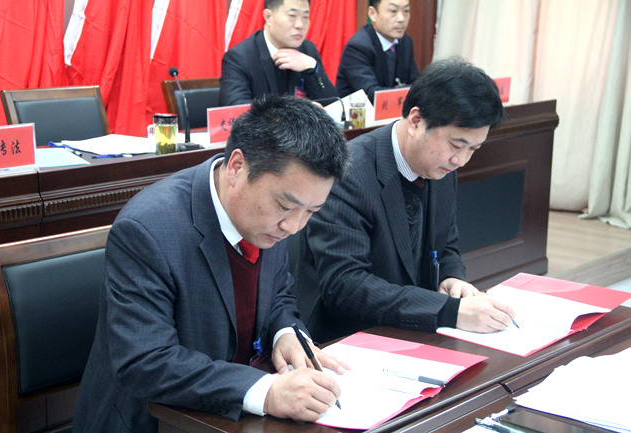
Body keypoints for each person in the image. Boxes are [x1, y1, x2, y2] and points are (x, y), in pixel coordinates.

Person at [72, 95, 350, 433]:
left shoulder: (270, 217)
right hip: (156, 421)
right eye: (284, 206)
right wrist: (265, 392)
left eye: (311, 212)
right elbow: (146, 361)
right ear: (237, 167)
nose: (294, 226)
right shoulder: (147, 230)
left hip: (233, 418)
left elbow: (278, 293)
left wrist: (285, 332)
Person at [293, 58, 516, 344]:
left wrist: (452, 278)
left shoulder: (441, 166)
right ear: (416, 121)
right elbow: (345, 286)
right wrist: (449, 311)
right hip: (345, 336)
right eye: (456, 145)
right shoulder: (350, 174)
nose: (461, 160)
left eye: (473, 149)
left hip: (411, 327)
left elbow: (446, 242)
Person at [219, 0, 337, 107]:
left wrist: (312, 67)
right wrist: (297, 112)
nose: (300, 25)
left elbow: (333, 105)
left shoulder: (308, 50)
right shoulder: (240, 57)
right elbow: (236, 109)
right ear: (268, 17)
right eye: (292, 16)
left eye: (305, 17)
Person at [336, 0, 419, 101]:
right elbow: (372, 94)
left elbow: (415, 83)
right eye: (393, 11)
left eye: (406, 11)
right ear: (373, 13)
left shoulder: (405, 42)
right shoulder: (357, 47)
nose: (401, 18)